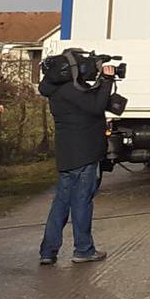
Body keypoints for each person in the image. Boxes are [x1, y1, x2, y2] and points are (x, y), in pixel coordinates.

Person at [39, 57, 115, 266]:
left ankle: (48, 251)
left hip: (68, 155)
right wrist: (107, 81)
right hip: (84, 153)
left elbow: (89, 101)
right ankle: (83, 249)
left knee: (61, 203)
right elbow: (96, 107)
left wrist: (99, 82)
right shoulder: (71, 91)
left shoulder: (57, 90)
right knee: (82, 201)